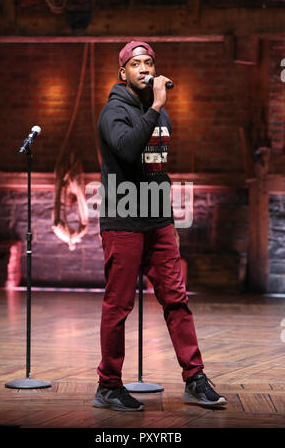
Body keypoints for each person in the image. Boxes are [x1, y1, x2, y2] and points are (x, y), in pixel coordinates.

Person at [92, 41, 227, 411]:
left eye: (149, 62)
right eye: (136, 64)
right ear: (123, 73)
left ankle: (194, 378)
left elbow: (155, 166)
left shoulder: (159, 112)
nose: (144, 68)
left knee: (177, 298)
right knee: (118, 305)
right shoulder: (113, 111)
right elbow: (127, 150)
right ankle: (108, 385)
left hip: (158, 220)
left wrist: (167, 215)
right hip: (123, 219)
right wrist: (154, 107)